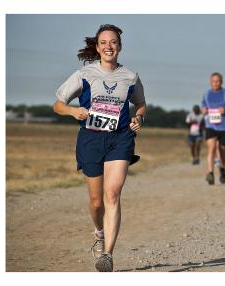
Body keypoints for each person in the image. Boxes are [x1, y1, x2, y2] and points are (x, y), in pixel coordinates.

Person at [53, 24, 146, 272]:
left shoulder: (130, 76)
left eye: (113, 42)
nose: (109, 47)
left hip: (120, 138)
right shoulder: (84, 74)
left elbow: (141, 104)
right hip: (91, 139)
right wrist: (73, 111)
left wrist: (139, 118)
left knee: (112, 194)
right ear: (97, 47)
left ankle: (107, 255)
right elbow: (58, 105)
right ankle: (99, 231)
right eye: (103, 42)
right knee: (96, 203)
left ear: (120, 46)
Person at [201, 72, 225, 185]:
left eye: (217, 81)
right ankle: (210, 173)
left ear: (221, 82)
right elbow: (203, 105)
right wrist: (203, 109)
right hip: (210, 125)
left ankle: (222, 169)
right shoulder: (206, 94)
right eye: (213, 81)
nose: (215, 83)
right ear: (210, 82)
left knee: (222, 149)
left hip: (223, 127)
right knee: (212, 147)